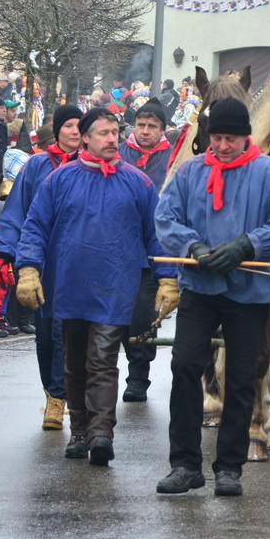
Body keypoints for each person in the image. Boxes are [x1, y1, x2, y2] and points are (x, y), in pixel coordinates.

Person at [155, 97, 270, 497]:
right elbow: (166, 218)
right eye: (216, 138)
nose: (222, 146)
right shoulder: (189, 172)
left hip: (248, 292)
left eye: (230, 138)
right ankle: (184, 464)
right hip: (199, 288)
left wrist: (248, 245)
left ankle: (229, 467)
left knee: (240, 378)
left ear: (245, 137)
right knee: (184, 365)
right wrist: (192, 247)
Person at [15, 108, 173, 467]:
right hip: (69, 284)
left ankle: (102, 433)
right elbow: (35, 226)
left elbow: (157, 234)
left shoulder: (138, 182)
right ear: (85, 138)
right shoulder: (59, 179)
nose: (112, 139)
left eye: (115, 132)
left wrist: (167, 278)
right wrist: (28, 270)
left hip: (115, 286)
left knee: (102, 359)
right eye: (103, 133)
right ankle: (80, 431)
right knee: (74, 362)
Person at [0, 103, 82, 430]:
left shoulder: (93, 166)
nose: (74, 131)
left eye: (79, 126)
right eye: (68, 125)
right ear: (57, 130)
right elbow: (16, 212)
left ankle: (61, 399)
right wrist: (7, 257)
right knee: (45, 337)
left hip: (78, 265)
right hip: (40, 265)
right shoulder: (36, 167)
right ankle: (52, 392)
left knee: (65, 334)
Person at [116, 98, 172, 402]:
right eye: (141, 125)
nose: (145, 131)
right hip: (117, 249)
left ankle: (138, 377)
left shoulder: (173, 157)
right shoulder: (118, 153)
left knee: (141, 318)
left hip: (152, 252)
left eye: (152, 126)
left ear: (162, 129)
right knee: (110, 317)